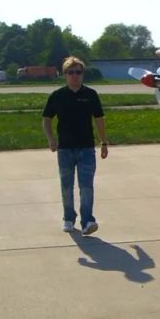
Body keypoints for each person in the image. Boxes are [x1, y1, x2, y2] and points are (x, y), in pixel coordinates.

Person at [42, 56, 109, 235]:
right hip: (65, 149)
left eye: (78, 72)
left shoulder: (90, 95)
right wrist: (50, 138)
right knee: (66, 186)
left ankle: (87, 221)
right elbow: (46, 119)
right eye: (71, 72)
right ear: (65, 74)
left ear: (82, 74)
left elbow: (99, 119)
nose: (74, 76)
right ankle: (68, 218)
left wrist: (104, 142)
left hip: (86, 148)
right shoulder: (57, 96)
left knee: (86, 186)